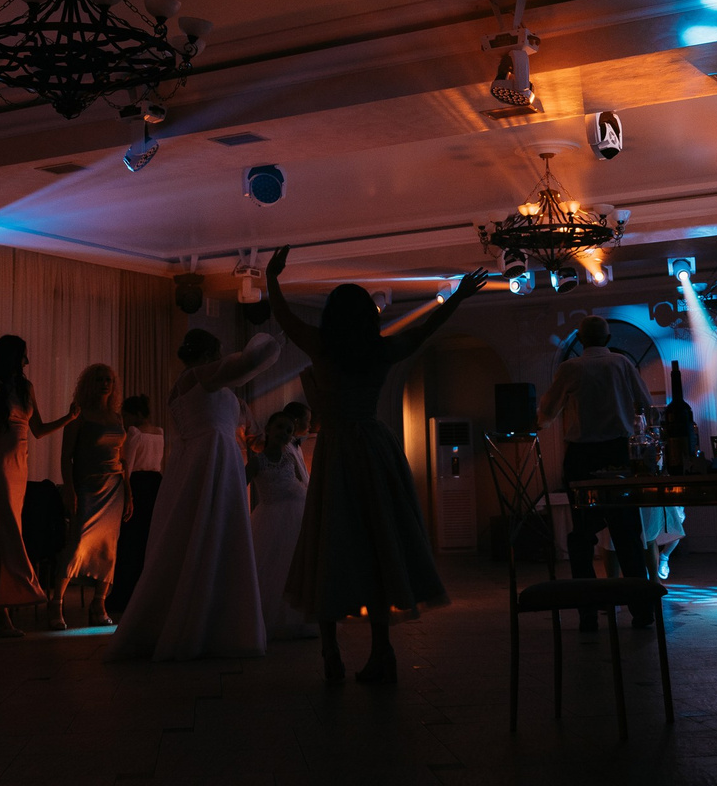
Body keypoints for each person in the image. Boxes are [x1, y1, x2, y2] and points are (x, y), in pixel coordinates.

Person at [267, 245, 487, 685]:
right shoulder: (380, 350)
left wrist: (272, 278)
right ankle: (382, 650)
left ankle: (331, 651)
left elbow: (285, 317)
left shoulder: (322, 347)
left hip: (337, 449)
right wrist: (458, 297)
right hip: (373, 446)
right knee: (378, 542)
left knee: (330, 544)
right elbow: (425, 329)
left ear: (332, 316)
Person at [106, 329, 283, 661]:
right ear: (208, 354)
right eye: (217, 353)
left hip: (224, 462)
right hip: (203, 463)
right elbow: (244, 365)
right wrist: (277, 338)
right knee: (194, 533)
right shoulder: (194, 377)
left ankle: (221, 624)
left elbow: (254, 437)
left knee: (223, 535)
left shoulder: (232, 398)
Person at [538, 315, 653, 628]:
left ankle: (587, 612)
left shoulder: (570, 368)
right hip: (618, 455)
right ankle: (642, 610)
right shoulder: (622, 364)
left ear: (580, 339)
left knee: (582, 535)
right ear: (608, 338)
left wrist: (537, 422)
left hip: (582, 458)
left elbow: (547, 412)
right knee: (627, 533)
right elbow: (645, 404)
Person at [0, 335, 76, 637]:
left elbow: (37, 429)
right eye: (23, 355)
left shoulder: (26, 388)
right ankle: (1, 612)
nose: (27, 361)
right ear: (12, 357)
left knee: (0, 535)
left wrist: (69, 418)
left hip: (19, 464)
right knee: (6, 532)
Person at [49, 363, 128, 629]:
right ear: (89, 384)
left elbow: (123, 459)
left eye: (109, 380)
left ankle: (99, 604)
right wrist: (69, 489)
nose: (105, 384)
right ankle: (56, 604)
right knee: (77, 544)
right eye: (99, 380)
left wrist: (129, 494)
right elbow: (66, 457)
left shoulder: (116, 417)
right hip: (88, 487)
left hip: (114, 488)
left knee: (109, 548)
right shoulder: (79, 415)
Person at [248, 411, 316, 640]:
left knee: (296, 563)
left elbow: (300, 481)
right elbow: (238, 484)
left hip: (297, 511)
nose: (284, 433)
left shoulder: (289, 458)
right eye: (279, 427)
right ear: (268, 429)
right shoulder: (257, 461)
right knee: (272, 567)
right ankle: (272, 619)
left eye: (288, 430)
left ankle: (302, 617)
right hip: (270, 516)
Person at [105, 394, 163, 619]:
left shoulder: (134, 433)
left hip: (136, 486)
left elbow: (126, 467)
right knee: (147, 540)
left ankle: (125, 595)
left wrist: (125, 494)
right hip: (155, 484)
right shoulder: (159, 432)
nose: (125, 420)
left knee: (130, 540)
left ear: (136, 414)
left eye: (126, 415)